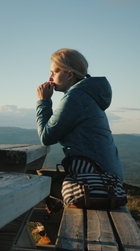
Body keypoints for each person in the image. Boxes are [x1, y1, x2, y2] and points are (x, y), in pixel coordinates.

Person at [36, 48, 124, 208]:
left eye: (54, 72)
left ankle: (45, 229)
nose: (50, 78)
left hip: (96, 181)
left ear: (69, 74)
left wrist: (43, 101)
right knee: (38, 183)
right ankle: (46, 230)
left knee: (32, 185)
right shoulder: (87, 94)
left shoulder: (76, 97)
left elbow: (46, 137)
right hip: (108, 177)